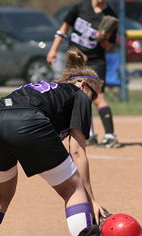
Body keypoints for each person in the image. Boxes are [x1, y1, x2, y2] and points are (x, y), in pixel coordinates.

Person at [0, 48, 108, 236]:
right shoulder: (78, 94)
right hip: (27, 123)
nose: (94, 100)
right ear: (82, 84)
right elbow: (77, 151)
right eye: (95, 94)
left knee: (1, 193)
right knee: (73, 189)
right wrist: (91, 199)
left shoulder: (46, 89)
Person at [47, 0, 121, 148]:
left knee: (98, 97)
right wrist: (53, 49)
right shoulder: (80, 7)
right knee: (76, 96)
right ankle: (89, 134)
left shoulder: (110, 15)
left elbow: (108, 46)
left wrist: (103, 37)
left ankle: (110, 136)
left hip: (95, 61)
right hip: (76, 58)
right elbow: (64, 28)